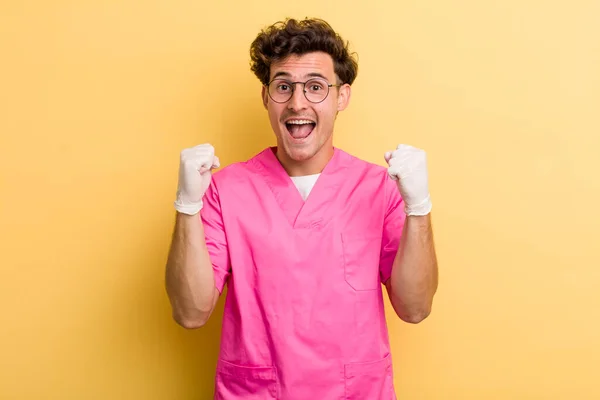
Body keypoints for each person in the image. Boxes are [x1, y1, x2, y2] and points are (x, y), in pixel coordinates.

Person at [165, 17, 438, 400]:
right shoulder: (224, 190)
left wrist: (419, 208)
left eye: (315, 87)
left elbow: (415, 307)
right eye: (283, 87)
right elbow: (190, 313)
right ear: (266, 96)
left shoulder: (380, 188)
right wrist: (187, 205)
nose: (297, 102)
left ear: (342, 96)